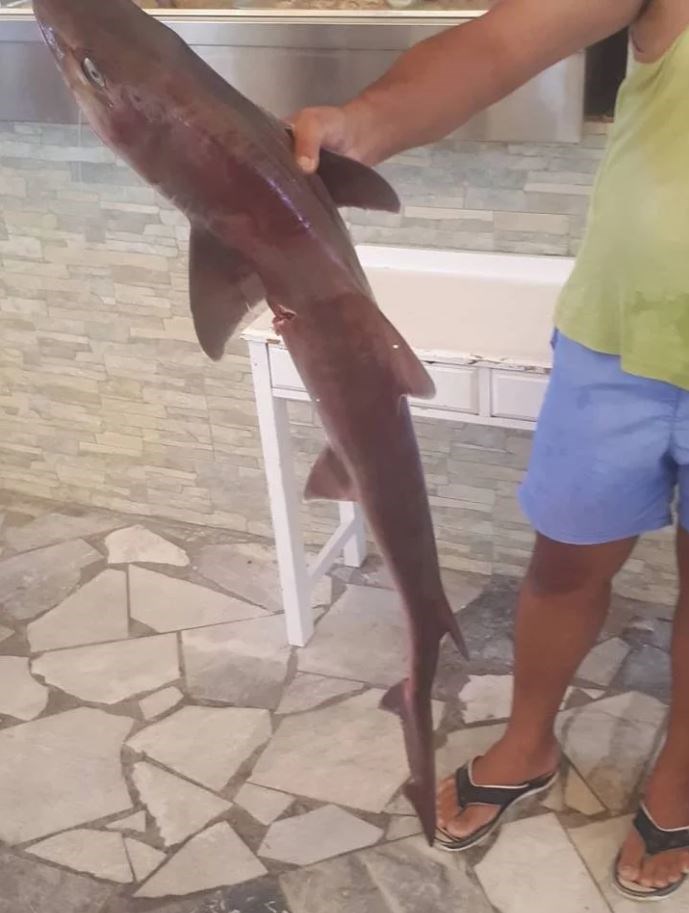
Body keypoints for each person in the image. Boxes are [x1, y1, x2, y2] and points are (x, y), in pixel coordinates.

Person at [290, 0, 689, 901]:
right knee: (564, 564)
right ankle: (525, 741)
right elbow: (497, 45)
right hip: (616, 344)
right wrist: (364, 122)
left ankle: (679, 774)